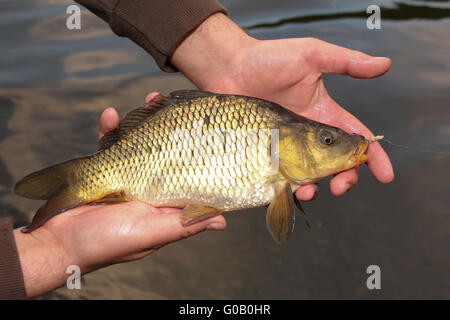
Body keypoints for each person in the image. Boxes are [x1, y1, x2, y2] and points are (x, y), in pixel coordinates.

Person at [0, 0, 394, 299]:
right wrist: (52, 250)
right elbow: (280, 226)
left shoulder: (280, 162)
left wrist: (51, 251)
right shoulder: (277, 172)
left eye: (328, 140)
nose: (335, 143)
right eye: (326, 140)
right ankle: (75, 187)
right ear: (283, 143)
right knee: (95, 179)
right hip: (141, 162)